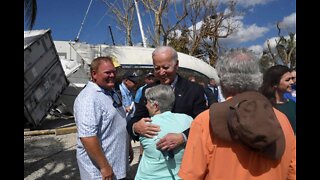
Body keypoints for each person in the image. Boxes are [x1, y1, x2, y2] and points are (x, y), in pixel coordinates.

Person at [178, 49, 296, 180]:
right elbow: (292, 172)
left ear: (222, 82)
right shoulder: (282, 120)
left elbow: (191, 176)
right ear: (258, 79)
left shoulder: (206, 121)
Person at [127, 46, 207, 153]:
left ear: (176, 65)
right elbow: (135, 119)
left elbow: (203, 123)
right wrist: (135, 127)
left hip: (186, 154)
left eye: (165, 67)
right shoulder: (147, 90)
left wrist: (183, 137)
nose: (161, 72)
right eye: (157, 68)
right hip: (156, 157)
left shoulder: (194, 90)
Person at [74, 56, 131, 180]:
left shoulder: (110, 92)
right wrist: (104, 167)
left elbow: (119, 122)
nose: (112, 75)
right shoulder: (89, 99)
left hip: (116, 167)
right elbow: (87, 137)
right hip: (100, 173)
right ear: (94, 74)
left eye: (114, 72)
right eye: (107, 72)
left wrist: (128, 147)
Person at [135, 84, 193, 180]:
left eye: (147, 102)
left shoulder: (146, 125)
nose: (145, 105)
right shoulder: (188, 120)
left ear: (155, 105)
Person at [260, 65, 296, 134]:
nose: (292, 82)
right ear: (275, 84)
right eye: (287, 80)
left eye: (292, 78)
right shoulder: (265, 106)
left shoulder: (292, 104)